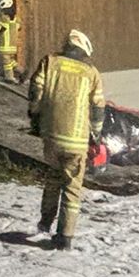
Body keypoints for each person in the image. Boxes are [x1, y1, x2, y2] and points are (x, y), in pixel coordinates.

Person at [26, 28, 106, 249]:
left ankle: (45, 221)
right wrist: (96, 134)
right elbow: (98, 108)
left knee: (53, 178)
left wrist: (35, 116)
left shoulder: (50, 62)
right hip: (76, 141)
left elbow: (35, 92)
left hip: (51, 137)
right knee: (72, 187)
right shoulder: (91, 72)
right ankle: (65, 237)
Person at [0, 0, 22, 83]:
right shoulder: (16, 17)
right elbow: (19, 27)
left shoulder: (3, 16)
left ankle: (9, 77)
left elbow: (1, 28)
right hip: (13, 43)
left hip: (5, 42)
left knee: (6, 62)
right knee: (10, 60)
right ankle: (21, 71)